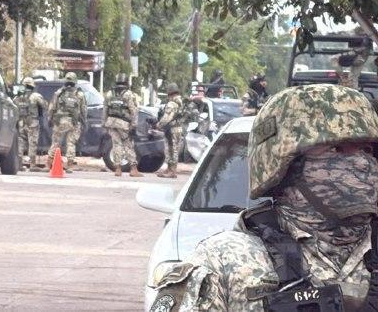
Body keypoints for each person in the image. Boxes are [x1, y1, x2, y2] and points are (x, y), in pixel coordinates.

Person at [150, 84, 378, 310]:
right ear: (283, 167)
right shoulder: (223, 263)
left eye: (367, 150)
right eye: (336, 150)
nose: (361, 162)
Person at [47, 72, 86, 173]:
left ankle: (49, 163)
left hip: (60, 121)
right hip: (73, 122)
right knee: (71, 143)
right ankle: (70, 165)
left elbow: (52, 108)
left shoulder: (58, 93)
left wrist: (49, 119)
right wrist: (84, 122)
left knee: (55, 142)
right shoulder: (80, 94)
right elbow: (84, 110)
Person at [103, 73, 142, 177]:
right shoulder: (129, 94)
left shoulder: (110, 94)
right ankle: (133, 169)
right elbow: (134, 111)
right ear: (126, 82)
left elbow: (105, 110)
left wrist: (104, 123)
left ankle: (118, 169)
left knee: (116, 145)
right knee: (128, 145)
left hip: (111, 122)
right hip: (124, 124)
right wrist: (134, 126)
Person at [14, 77, 48, 171]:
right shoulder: (35, 96)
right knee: (32, 143)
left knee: (20, 143)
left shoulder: (17, 97)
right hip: (32, 123)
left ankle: (19, 164)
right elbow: (45, 105)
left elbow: (13, 106)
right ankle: (32, 165)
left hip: (21, 122)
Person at [154, 83, 184, 178]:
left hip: (172, 129)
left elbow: (167, 117)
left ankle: (172, 171)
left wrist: (158, 125)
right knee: (174, 149)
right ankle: (169, 169)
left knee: (171, 150)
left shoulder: (172, 103)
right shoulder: (181, 102)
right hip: (178, 128)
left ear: (169, 93)